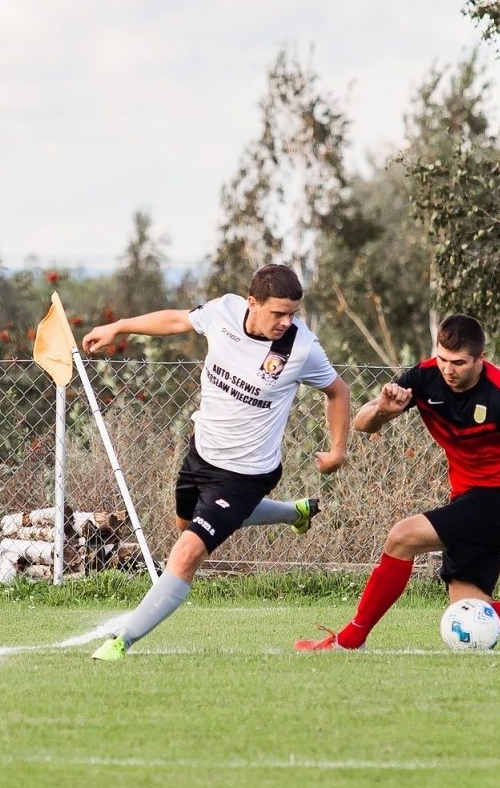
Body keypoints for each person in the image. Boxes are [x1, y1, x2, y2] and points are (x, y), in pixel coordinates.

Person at [81, 264, 352, 660]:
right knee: (186, 526)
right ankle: (293, 512)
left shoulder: (302, 349)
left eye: (293, 314)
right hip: (201, 454)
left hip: (247, 475)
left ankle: (121, 641)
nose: (286, 322)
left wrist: (338, 451)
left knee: (187, 552)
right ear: (252, 303)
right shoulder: (224, 312)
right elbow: (176, 320)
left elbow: (338, 391)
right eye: (278, 313)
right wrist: (119, 327)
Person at [297, 313, 500, 653]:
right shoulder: (424, 377)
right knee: (471, 611)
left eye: (459, 363)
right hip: (466, 498)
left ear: (480, 359)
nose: (448, 369)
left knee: (402, 537)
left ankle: (349, 641)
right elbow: (363, 423)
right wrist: (384, 410)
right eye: (443, 359)